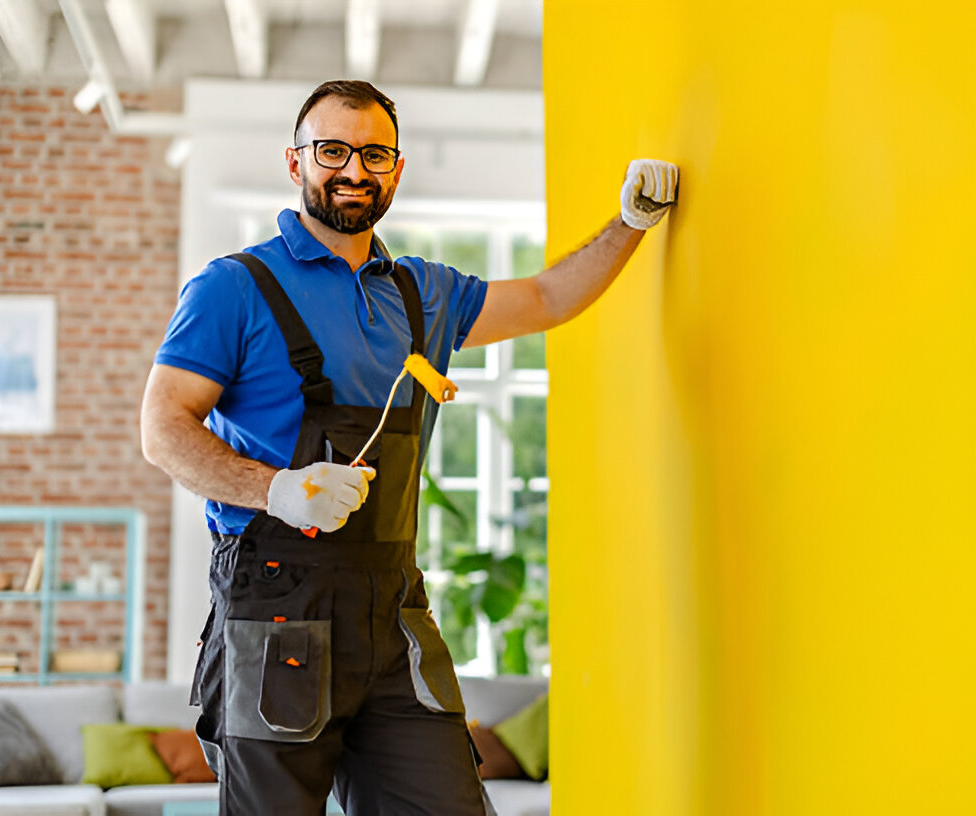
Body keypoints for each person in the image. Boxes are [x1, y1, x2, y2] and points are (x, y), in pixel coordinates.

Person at [139, 79, 678, 816]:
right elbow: (162, 428)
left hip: (393, 610)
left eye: (374, 153)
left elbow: (550, 298)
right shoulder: (235, 288)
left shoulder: (423, 293)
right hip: (276, 609)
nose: (354, 170)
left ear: (396, 168)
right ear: (295, 163)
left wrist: (631, 223)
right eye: (332, 150)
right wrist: (276, 489)